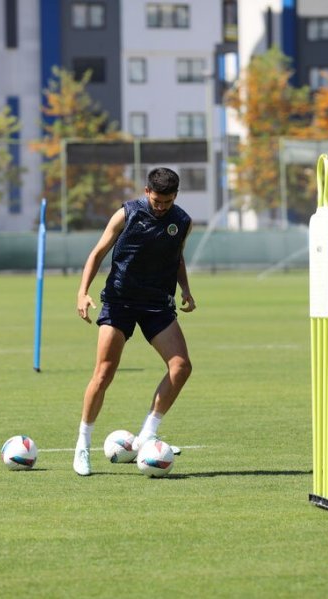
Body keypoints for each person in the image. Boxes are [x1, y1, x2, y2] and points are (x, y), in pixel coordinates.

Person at [73, 167, 195, 476]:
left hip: (157, 304)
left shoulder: (182, 222)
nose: (161, 207)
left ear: (175, 197)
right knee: (104, 373)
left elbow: (176, 257)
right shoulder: (126, 215)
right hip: (119, 302)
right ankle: (82, 445)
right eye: (157, 201)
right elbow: (98, 252)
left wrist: (186, 290)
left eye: (167, 202)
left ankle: (147, 435)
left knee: (181, 367)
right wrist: (82, 292)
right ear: (146, 192)